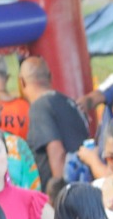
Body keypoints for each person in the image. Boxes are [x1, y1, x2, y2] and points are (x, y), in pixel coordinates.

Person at [22, 57, 88, 188]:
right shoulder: (69, 102)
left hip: (66, 190)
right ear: (50, 77)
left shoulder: (39, 106)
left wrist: (59, 194)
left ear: (22, 82)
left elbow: (57, 152)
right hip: (82, 183)